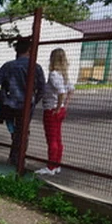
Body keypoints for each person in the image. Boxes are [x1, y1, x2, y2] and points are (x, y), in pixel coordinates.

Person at [0, 36, 45, 166]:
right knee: (23, 131)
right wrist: (33, 101)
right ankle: (17, 158)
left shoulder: (8, 66)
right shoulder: (36, 67)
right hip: (26, 105)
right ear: (30, 49)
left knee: (8, 127)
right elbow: (42, 89)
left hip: (9, 104)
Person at [35, 48, 74, 176]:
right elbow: (70, 90)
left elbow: (62, 92)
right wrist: (64, 106)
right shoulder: (64, 74)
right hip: (59, 109)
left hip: (51, 109)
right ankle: (56, 164)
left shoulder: (53, 74)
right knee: (57, 138)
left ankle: (50, 166)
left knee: (51, 138)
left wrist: (57, 107)